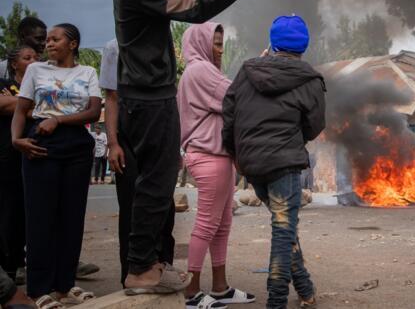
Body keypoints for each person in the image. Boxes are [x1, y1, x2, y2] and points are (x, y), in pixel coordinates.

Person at [114, 0, 282, 294]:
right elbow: (198, 8)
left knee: (154, 184)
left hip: (140, 95)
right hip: (151, 96)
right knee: (156, 185)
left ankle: (149, 263)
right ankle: (140, 269)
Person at [222, 15, 323, 309]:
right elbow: (314, 126)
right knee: (283, 230)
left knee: (284, 227)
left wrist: (236, 154)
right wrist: (293, 139)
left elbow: (229, 115)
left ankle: (305, 290)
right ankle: (276, 302)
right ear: (303, 46)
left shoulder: (247, 70)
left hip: (252, 163)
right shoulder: (309, 79)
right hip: (284, 163)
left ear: (272, 43)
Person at [11, 23, 101, 306]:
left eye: (55, 39)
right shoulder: (36, 71)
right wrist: (16, 140)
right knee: (40, 218)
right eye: (47, 39)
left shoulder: (87, 72)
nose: (48, 43)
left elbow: (94, 111)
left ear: (72, 44)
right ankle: (39, 290)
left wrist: (59, 119)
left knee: (71, 218)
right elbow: (21, 109)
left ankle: (64, 285)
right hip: (41, 142)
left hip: (76, 144)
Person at [177, 22, 255, 308]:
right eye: (216, 43)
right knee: (207, 224)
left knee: (222, 224)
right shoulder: (200, 70)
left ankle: (220, 287)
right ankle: (192, 292)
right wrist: (258, 72)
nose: (220, 50)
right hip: (210, 156)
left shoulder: (203, 70)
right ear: (200, 43)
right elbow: (237, 96)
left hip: (217, 157)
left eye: (222, 44)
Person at [99, 38, 176, 288]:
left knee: (165, 205)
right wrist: (113, 143)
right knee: (132, 208)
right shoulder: (115, 47)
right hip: (129, 137)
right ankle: (133, 273)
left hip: (160, 133)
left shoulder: (163, 42)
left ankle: (164, 266)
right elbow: (111, 97)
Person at [0, 46, 38, 283]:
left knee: (30, 211)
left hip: (35, 154)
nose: (34, 61)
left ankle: (24, 261)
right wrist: (31, 106)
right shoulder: (3, 83)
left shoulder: (43, 83)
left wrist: (22, 107)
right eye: (27, 58)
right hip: (7, 157)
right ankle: (8, 266)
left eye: (36, 57)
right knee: (8, 212)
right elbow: (4, 105)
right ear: (14, 64)